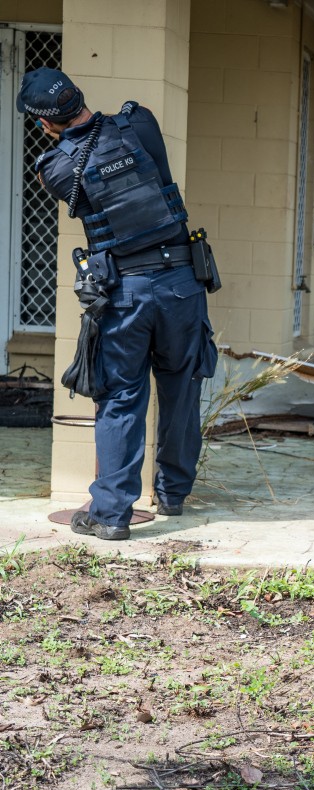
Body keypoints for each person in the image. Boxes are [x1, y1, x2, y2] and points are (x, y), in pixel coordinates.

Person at [19, 67, 217, 541]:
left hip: (125, 292)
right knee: (182, 387)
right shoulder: (141, 123)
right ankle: (173, 494)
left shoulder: (55, 169)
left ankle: (110, 515)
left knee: (122, 397)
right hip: (180, 284)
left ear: (45, 124)